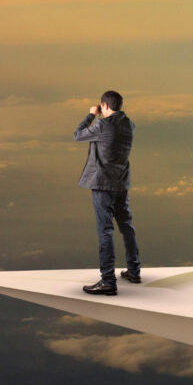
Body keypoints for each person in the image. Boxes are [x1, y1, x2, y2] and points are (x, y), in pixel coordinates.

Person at [73, 90, 141, 295]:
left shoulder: (103, 125)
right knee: (126, 226)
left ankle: (108, 281)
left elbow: (78, 135)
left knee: (105, 231)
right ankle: (134, 271)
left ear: (104, 106)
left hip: (103, 185)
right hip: (121, 183)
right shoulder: (129, 124)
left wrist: (91, 115)